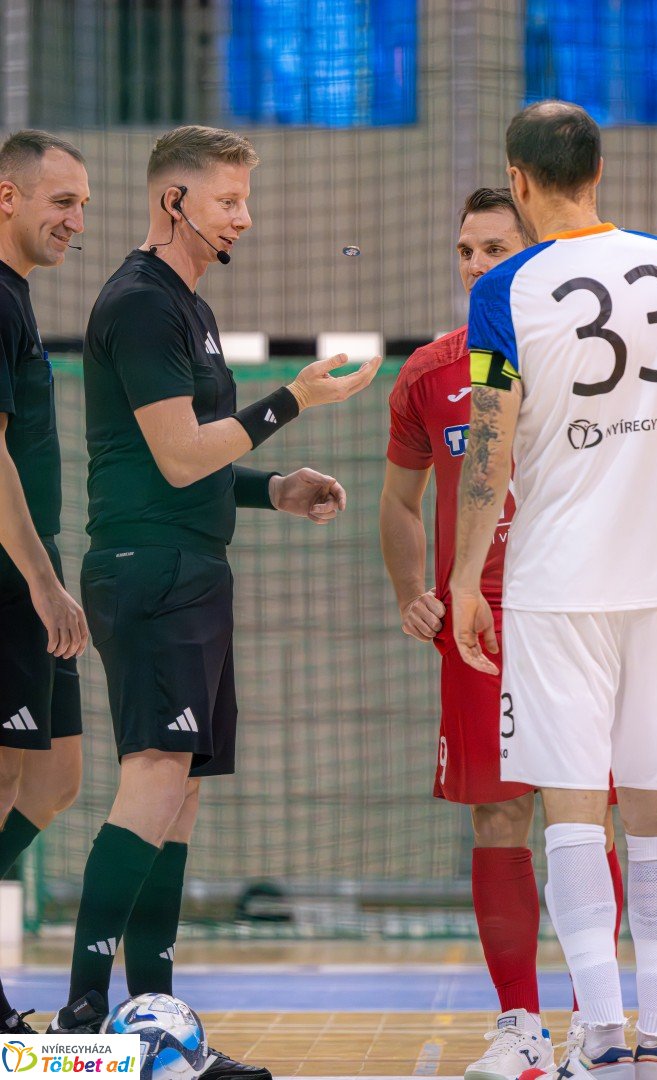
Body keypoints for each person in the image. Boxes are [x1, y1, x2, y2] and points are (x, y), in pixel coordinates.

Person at [49, 125, 381, 1080]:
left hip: (187, 563)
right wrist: (292, 403)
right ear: (174, 202)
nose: (245, 215)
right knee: (155, 776)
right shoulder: (143, 305)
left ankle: (154, 1022)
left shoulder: (188, 308)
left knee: (180, 796)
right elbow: (179, 455)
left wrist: (273, 487)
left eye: (245, 197)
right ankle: (80, 1021)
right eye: (228, 199)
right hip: (150, 573)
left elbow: (189, 466)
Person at [451, 101, 657, 1079]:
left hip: (558, 581)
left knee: (573, 811)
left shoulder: (508, 290)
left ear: (518, 182)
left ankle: (600, 1039)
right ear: (598, 169)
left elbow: (488, 441)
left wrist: (461, 572)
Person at [381, 187, 623, 1080]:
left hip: (573, 611)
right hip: (477, 622)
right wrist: (416, 587)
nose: (476, 265)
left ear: (535, 253)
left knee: (585, 816)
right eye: (465, 250)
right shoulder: (431, 372)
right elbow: (399, 501)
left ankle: (593, 1023)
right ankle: (520, 1026)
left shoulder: (589, 358)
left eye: (493, 248)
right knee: (498, 815)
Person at [0, 130, 90, 1034]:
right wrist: (38, 577)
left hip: (33, 567)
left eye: (83, 206)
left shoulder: (19, 300)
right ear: (8, 199)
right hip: (7, 576)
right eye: (61, 202)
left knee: (57, 778)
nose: (75, 221)